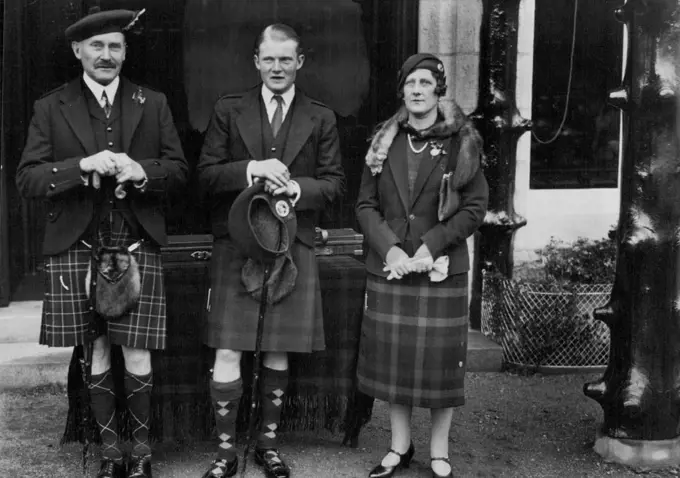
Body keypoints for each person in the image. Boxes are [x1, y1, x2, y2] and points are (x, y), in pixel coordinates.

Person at [15, 8, 187, 478]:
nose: (106, 55)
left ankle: (142, 455)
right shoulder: (51, 107)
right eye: (96, 46)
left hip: (135, 243)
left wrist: (143, 171)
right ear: (78, 51)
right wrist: (81, 166)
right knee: (95, 350)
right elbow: (27, 179)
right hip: (77, 244)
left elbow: (179, 171)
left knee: (138, 350)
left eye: (115, 46)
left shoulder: (153, 102)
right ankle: (112, 456)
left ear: (125, 51)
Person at [197, 23, 345, 478]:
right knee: (228, 349)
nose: (277, 67)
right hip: (237, 243)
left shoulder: (321, 117)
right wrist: (251, 169)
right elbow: (205, 175)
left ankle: (267, 446)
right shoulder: (229, 109)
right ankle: (225, 453)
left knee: (278, 349)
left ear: (300, 63)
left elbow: (336, 184)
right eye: (270, 59)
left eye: (287, 59)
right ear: (256, 62)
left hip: (290, 244)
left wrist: (298, 189)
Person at [355, 53, 488, 478]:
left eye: (425, 83)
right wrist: (390, 249)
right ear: (402, 90)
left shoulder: (461, 141)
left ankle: (439, 451)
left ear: (438, 90)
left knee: (439, 365)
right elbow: (364, 204)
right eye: (410, 82)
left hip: (440, 267)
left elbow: (475, 206)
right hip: (391, 266)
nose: (417, 90)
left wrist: (433, 244)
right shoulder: (383, 141)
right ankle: (398, 447)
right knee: (396, 363)